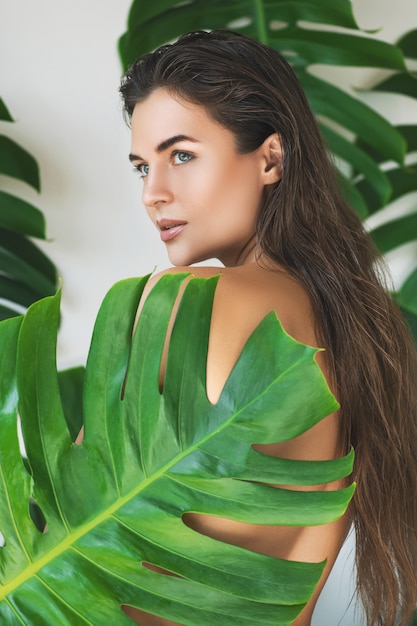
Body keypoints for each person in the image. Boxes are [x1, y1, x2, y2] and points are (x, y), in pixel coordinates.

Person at [119, 30, 417, 626]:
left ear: (271, 157)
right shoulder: (358, 329)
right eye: (141, 166)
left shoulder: (186, 302)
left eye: (181, 155)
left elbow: (68, 526)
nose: (154, 193)